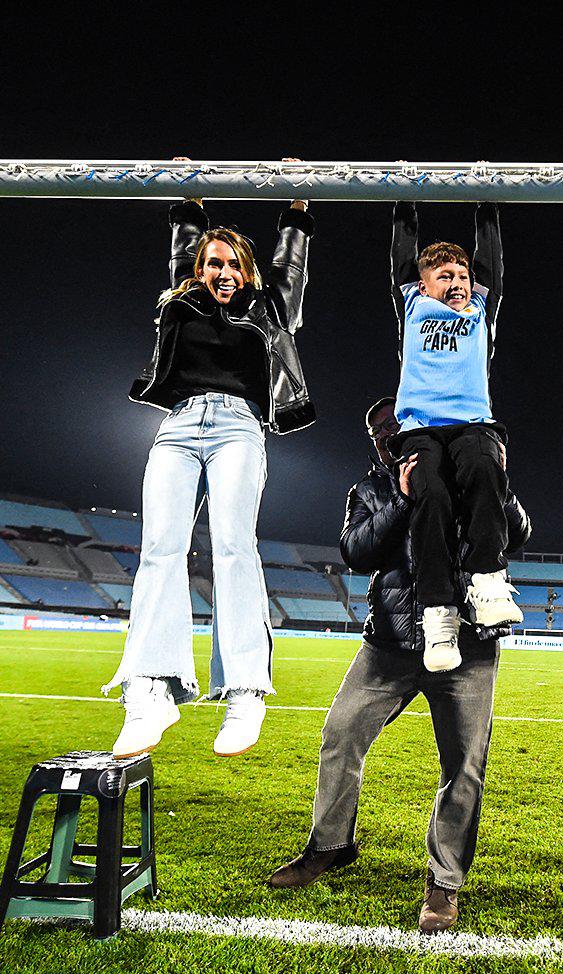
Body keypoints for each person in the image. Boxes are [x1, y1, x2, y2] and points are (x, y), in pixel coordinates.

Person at [268, 397, 530, 934]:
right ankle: (331, 845)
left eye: (395, 425)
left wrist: (498, 483)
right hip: (388, 643)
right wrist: (404, 501)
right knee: (341, 734)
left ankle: (445, 882)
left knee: (464, 766)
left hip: (469, 644)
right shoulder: (366, 490)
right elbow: (357, 552)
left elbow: (519, 533)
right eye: (377, 430)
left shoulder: (464, 468)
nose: (387, 435)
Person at [105, 156, 316, 759]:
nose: (223, 271)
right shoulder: (182, 301)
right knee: (160, 550)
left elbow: (290, 262)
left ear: (248, 272)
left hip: (237, 428)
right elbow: (182, 245)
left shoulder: (271, 305)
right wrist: (189, 194)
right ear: (199, 269)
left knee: (233, 546)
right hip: (177, 426)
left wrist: (299, 202)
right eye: (213, 263)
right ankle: (150, 692)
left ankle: (245, 690)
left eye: (233, 264)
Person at [387, 202, 522, 674]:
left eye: (462, 274)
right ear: (422, 283)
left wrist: (487, 204)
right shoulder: (412, 302)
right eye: (444, 275)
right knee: (431, 500)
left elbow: (492, 262)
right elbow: (402, 251)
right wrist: (406, 200)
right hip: (420, 428)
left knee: (487, 470)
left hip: (473, 423)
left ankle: (487, 577)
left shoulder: (483, 306)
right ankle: (438, 615)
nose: (457, 282)